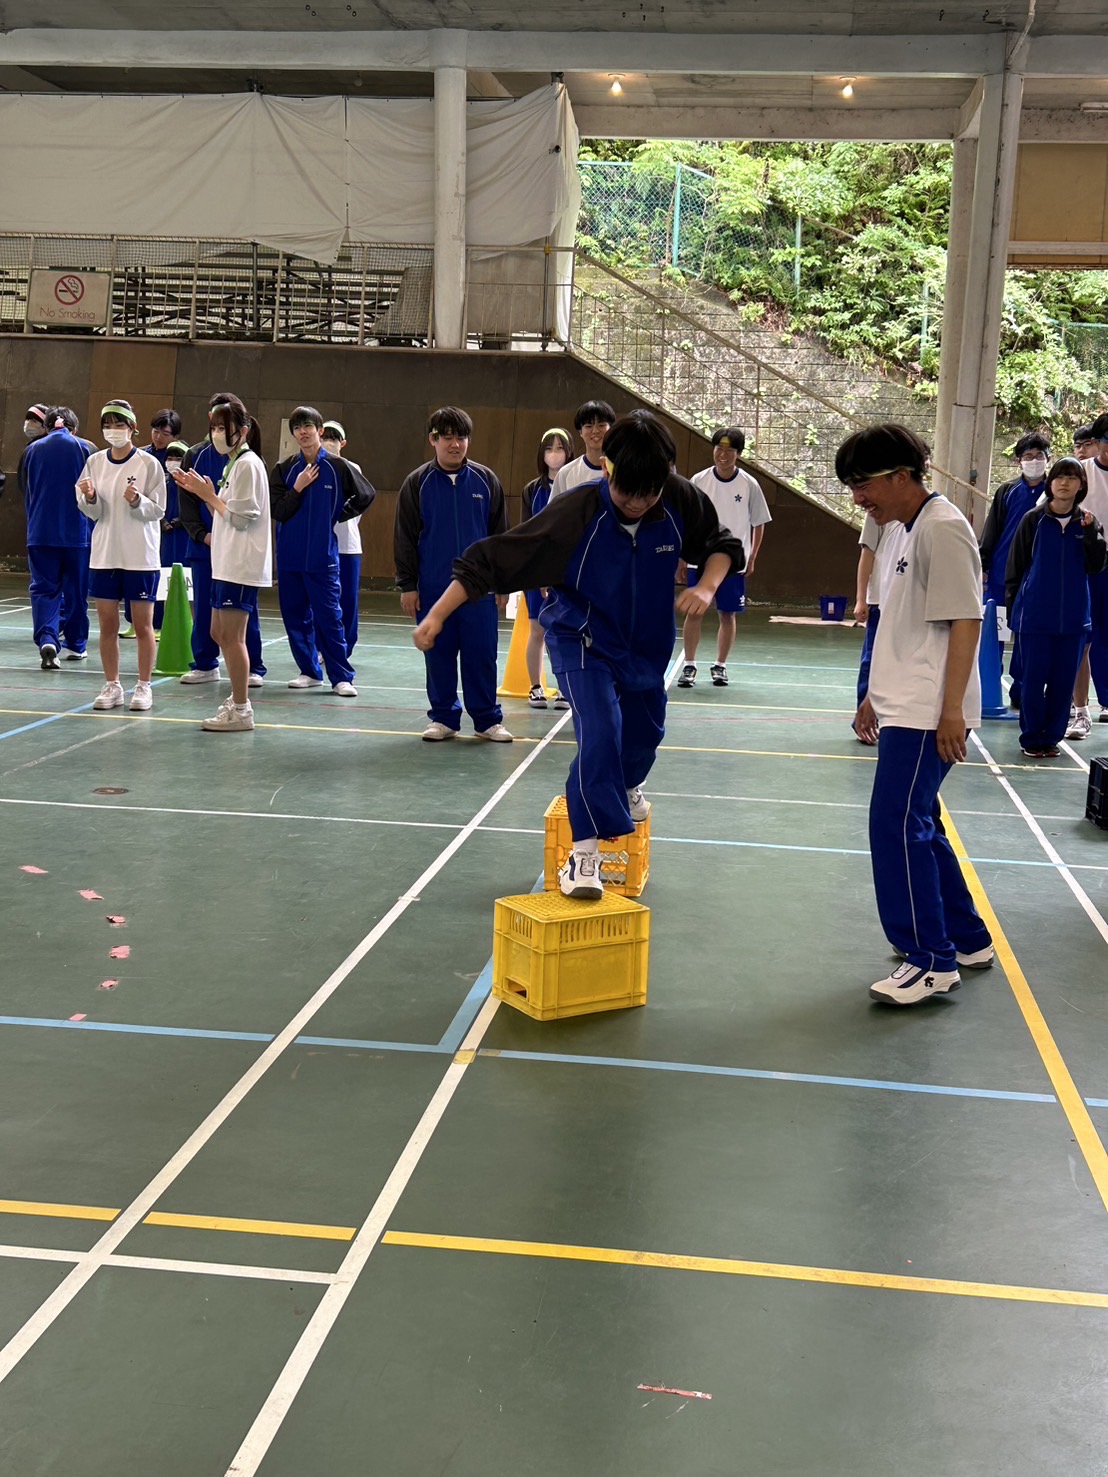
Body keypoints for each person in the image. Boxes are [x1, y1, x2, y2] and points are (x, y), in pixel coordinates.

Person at [413, 410, 744, 899]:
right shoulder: (575, 512)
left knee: (645, 732)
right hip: (580, 637)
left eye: (649, 493)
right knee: (600, 730)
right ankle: (584, 856)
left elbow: (721, 545)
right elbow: (493, 559)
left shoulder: (678, 497)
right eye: (628, 493)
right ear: (608, 468)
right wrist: (437, 616)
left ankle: (626, 785)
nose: (638, 503)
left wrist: (708, 586)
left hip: (645, 647)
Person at [840, 423, 993, 1008]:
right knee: (920, 820)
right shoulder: (898, 529)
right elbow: (895, 622)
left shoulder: (943, 527)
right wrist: (873, 694)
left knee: (896, 825)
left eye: (864, 484)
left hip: (929, 711)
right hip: (902, 701)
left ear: (902, 476)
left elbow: (966, 621)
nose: (858, 497)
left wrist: (952, 710)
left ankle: (930, 961)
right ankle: (967, 938)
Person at [395, 406, 512, 741]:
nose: (455, 444)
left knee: (482, 655)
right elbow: (404, 538)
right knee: (439, 655)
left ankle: (487, 720)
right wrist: (408, 584)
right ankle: (443, 717)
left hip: (480, 590)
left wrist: (503, 582)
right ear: (432, 440)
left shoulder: (486, 481)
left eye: (461, 437)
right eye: (446, 437)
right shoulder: (417, 483)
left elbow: (501, 537)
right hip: (433, 587)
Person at [173, 395, 272, 732]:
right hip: (224, 564)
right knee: (217, 631)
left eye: (223, 428)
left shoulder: (248, 465)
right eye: (213, 427)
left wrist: (207, 496)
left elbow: (242, 518)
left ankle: (242, 709)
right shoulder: (233, 465)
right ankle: (236, 698)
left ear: (242, 431)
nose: (217, 434)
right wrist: (204, 493)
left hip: (241, 565)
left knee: (232, 636)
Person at [1005, 458, 1107, 759]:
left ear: (1081, 485)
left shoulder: (1088, 523)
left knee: (1063, 683)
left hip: (1074, 619)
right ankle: (1031, 738)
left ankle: (1051, 738)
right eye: (1059, 477)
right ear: (1050, 484)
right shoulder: (1033, 520)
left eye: (1072, 478)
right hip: (1034, 618)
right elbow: (1016, 567)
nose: (1064, 483)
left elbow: (1096, 565)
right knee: (1033, 681)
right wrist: (1015, 611)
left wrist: (1092, 535)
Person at [270, 406, 375, 696]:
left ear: (319, 430)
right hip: (289, 557)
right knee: (295, 617)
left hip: (323, 557)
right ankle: (309, 671)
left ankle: (341, 677)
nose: (303, 432)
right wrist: (298, 488)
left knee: (330, 617)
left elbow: (366, 494)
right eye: (297, 427)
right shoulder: (284, 469)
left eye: (308, 426)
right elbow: (278, 510)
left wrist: (336, 514)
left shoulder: (338, 467)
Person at [75, 400, 166, 712]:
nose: (112, 430)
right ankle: (112, 685)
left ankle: (143, 686)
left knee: (143, 626)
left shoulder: (148, 464)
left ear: (132, 428)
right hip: (105, 554)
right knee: (107, 625)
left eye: (119, 424)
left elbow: (159, 509)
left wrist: (139, 500)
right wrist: (89, 497)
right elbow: (93, 511)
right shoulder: (94, 463)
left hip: (140, 555)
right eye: (107, 425)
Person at [678, 426, 771, 688]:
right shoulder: (699, 480)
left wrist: (752, 556)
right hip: (699, 559)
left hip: (732, 563)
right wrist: (683, 557)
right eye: (719, 448)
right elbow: (686, 521)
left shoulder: (749, 484)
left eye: (730, 450)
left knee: (727, 614)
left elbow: (759, 522)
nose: (723, 454)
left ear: (738, 454)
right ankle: (689, 665)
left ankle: (720, 665)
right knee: (694, 612)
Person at [977, 432, 1050, 709]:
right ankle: (987, 686)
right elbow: (992, 530)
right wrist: (984, 565)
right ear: (1019, 461)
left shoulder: (1054, 492)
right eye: (1028, 456)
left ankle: (1022, 690)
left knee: (1027, 636)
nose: (1034, 461)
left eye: (1039, 456)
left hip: (1037, 578)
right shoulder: (1006, 491)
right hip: (1001, 576)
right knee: (994, 634)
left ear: (1048, 458)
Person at [21, 409, 93, 668]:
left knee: (43, 589)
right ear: (74, 427)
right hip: (77, 533)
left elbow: (25, 489)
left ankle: (47, 639)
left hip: (40, 532)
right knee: (76, 590)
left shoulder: (31, 450)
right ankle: (76, 644)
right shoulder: (86, 448)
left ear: (47, 427)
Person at [521, 427, 573, 711]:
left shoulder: (574, 483)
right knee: (537, 630)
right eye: (549, 448)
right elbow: (527, 532)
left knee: (564, 631)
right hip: (536, 571)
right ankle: (535, 687)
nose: (554, 454)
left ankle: (565, 688)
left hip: (566, 571)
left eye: (560, 448)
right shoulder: (532, 489)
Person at [1071, 409, 1108, 730]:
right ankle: (1080, 711)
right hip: (1083, 566)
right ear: (1097, 442)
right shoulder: (1080, 473)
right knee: (1082, 638)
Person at [320, 420, 364, 658]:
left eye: (333, 438)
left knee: (347, 598)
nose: (329, 442)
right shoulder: (312, 468)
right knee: (321, 599)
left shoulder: (352, 468)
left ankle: (345, 647)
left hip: (348, 545)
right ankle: (321, 647)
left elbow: (360, 503)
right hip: (319, 544)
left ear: (343, 443)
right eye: (325, 437)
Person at [851, 511, 888, 744]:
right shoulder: (877, 511)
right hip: (879, 601)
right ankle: (864, 721)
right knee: (871, 661)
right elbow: (867, 553)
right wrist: (861, 598)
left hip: (907, 603)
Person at [549, 400, 615, 500]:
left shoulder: (621, 470)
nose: (595, 431)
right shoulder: (566, 473)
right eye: (589, 426)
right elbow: (554, 509)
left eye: (601, 425)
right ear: (580, 432)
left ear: (611, 429)